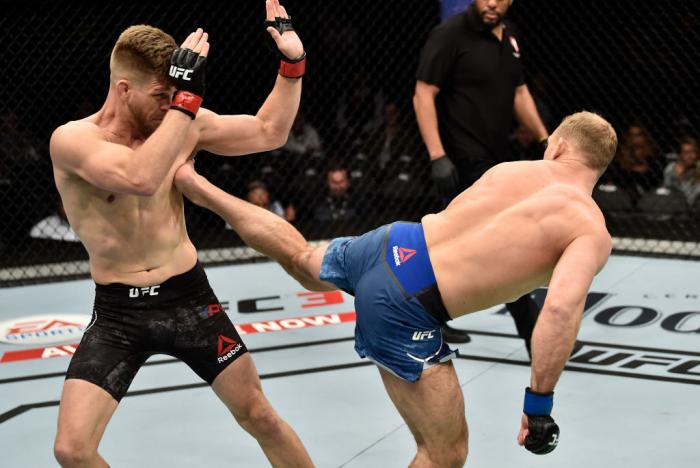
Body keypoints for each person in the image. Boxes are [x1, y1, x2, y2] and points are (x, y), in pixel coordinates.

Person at [173, 111, 618, 465]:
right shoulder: (588, 229)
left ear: (556, 146)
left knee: (303, 257)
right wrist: (538, 404)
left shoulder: (511, 170)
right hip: (407, 308)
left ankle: (197, 186)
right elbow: (559, 310)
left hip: (393, 242)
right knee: (445, 455)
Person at [49, 2, 313, 467]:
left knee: (261, 416)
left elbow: (268, 131)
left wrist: (292, 65)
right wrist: (186, 104)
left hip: (188, 298)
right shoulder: (73, 140)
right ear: (123, 88)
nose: (171, 104)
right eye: (161, 95)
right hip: (118, 314)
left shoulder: (178, 120)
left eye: (177, 93)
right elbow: (139, 178)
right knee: (72, 450)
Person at [413, 0, 550, 347]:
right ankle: (532, 329)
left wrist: (544, 139)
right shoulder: (450, 34)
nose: (492, 3)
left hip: (496, 158)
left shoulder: (511, 36)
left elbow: (519, 91)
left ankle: (424, 312)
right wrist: (437, 156)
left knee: (458, 241)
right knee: (500, 241)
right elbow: (423, 94)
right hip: (461, 158)